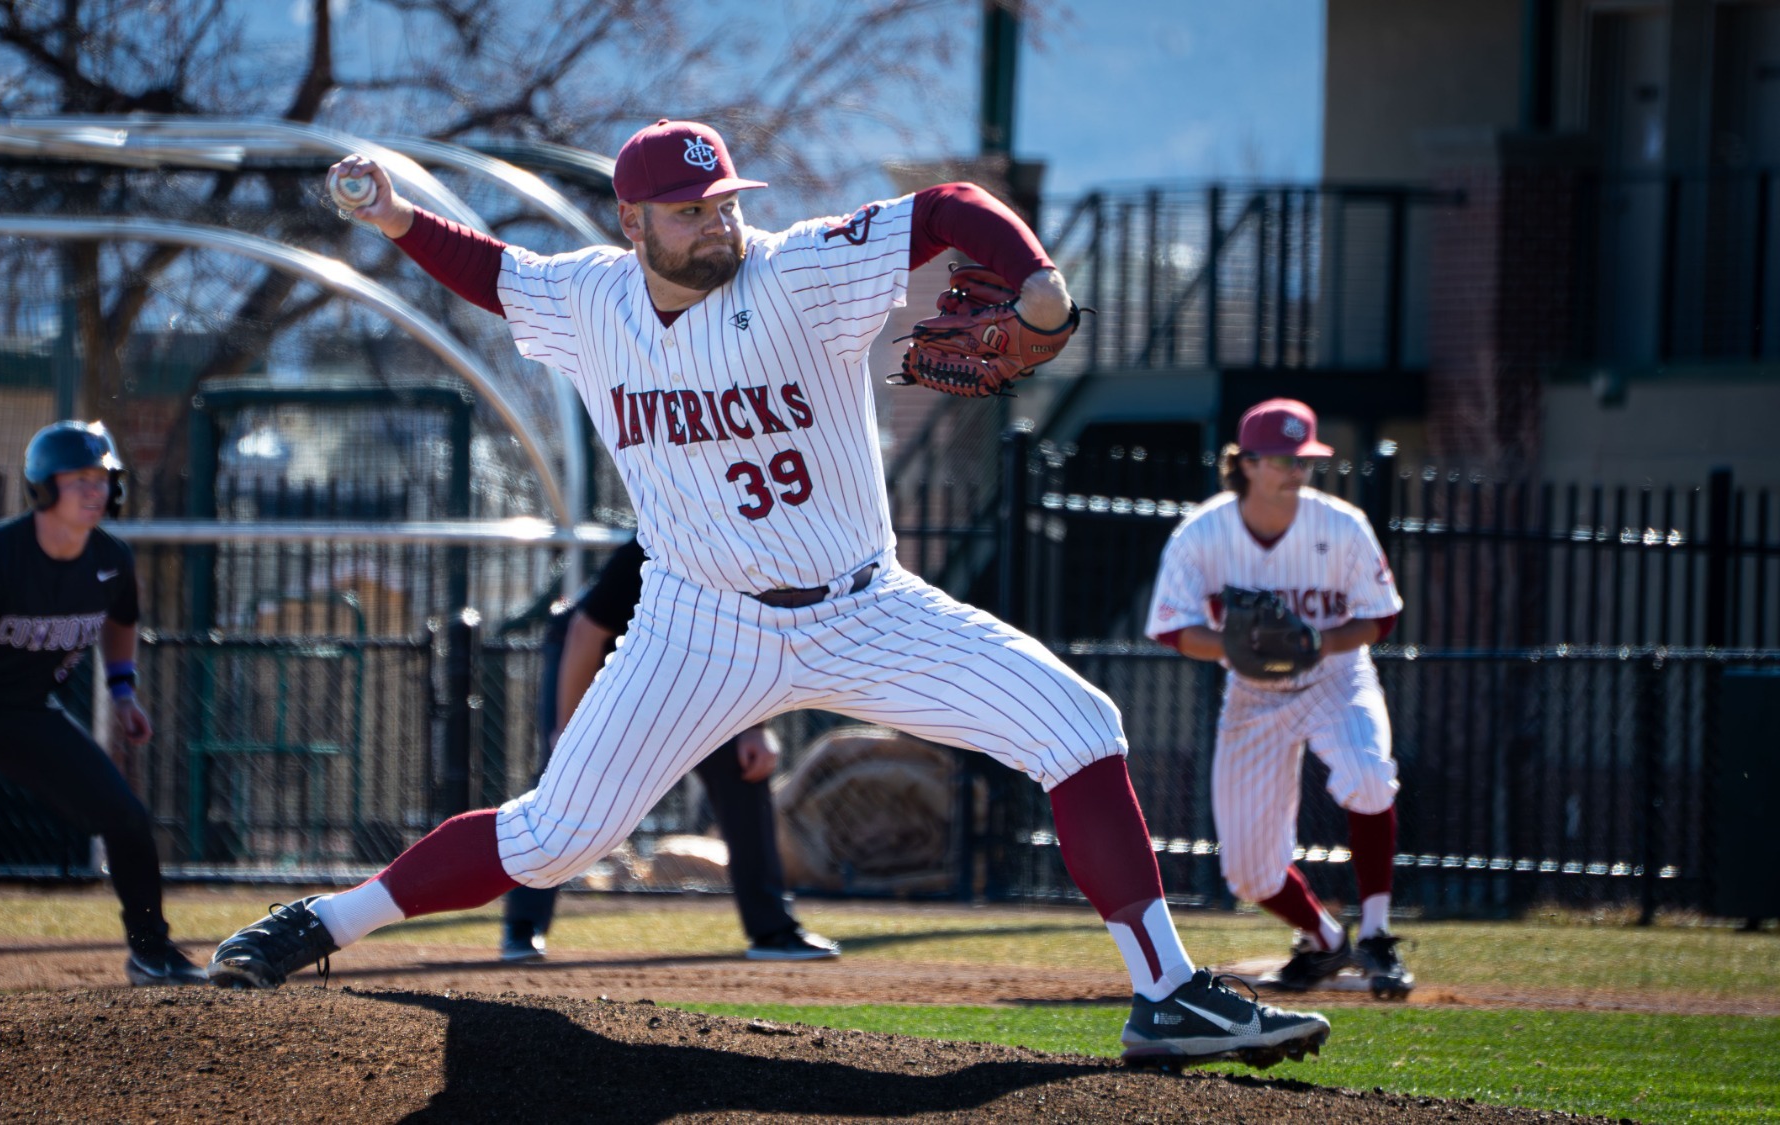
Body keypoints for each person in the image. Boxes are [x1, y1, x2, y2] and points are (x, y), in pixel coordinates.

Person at [209, 119, 1332, 1067]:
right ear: (632, 223)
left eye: (724, 203)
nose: (717, 224)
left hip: (864, 608)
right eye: (688, 211)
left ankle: (1164, 993)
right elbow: (493, 274)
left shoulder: (798, 272)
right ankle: (323, 921)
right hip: (697, 622)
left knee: (1080, 727)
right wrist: (397, 218)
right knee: (553, 837)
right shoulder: (590, 299)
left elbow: (948, 208)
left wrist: (1037, 283)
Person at [0, 421, 207, 989]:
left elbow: (122, 622)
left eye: (102, 479)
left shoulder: (111, 559)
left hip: (24, 708)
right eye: (79, 479)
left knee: (125, 815)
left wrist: (122, 692)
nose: (96, 490)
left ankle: (152, 952)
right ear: (45, 487)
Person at [1144, 399, 1414, 999]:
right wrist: (1232, 647)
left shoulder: (1340, 525)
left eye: (1304, 459)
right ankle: (1325, 941)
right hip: (1253, 693)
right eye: (1283, 459)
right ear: (1246, 463)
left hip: (1335, 678)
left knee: (1370, 776)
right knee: (1249, 874)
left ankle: (1376, 936)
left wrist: (1318, 643)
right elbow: (1170, 627)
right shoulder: (1205, 533)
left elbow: (1381, 618)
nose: (1297, 469)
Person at [501, 539, 838, 963]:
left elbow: (752, 649)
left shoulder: (748, 558)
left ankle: (773, 929)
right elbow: (586, 635)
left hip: (691, 669)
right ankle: (523, 925)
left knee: (742, 767)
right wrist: (568, 735)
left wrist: (755, 730)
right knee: (565, 785)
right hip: (598, 657)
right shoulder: (656, 546)